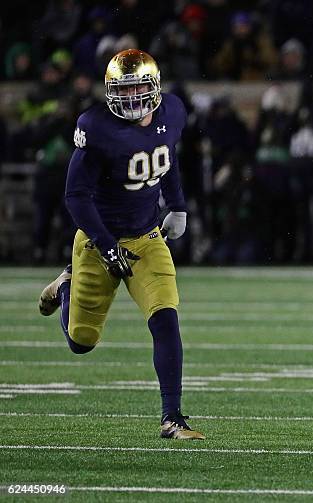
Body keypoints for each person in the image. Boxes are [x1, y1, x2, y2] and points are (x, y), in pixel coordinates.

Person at [37, 49, 204, 440]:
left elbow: (170, 156)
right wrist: (106, 245)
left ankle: (172, 418)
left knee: (165, 317)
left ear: (155, 86)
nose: (131, 98)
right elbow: (76, 196)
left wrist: (177, 204)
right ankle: (66, 285)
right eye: (123, 91)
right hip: (99, 240)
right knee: (82, 342)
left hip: (147, 238)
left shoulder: (173, 112)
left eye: (139, 88)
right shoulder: (96, 127)